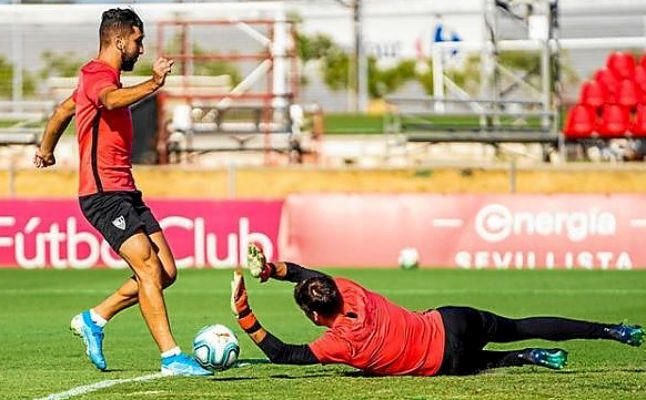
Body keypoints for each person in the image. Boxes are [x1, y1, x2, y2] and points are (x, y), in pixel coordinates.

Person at [33, 8, 211, 376]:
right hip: (102, 194)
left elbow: (64, 111)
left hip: (125, 190)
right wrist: (155, 83)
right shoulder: (98, 76)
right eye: (137, 40)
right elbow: (111, 100)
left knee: (165, 271)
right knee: (147, 266)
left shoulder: (95, 79)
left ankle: (95, 318)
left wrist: (46, 150)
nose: (140, 49)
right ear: (118, 41)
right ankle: (171, 357)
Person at [231, 244, 644, 376]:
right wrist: (272, 269)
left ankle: (526, 358)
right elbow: (308, 274)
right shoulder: (352, 291)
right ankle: (612, 331)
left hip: (446, 360)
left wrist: (245, 314)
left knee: (483, 361)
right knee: (518, 325)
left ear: (314, 316)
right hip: (452, 321)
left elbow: (285, 354)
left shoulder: (339, 344)